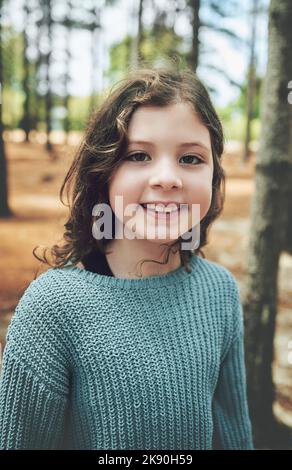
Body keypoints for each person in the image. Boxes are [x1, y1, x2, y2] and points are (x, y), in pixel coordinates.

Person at [0, 66, 254, 450]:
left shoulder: (219, 292)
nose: (167, 177)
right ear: (103, 174)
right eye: (138, 155)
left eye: (191, 158)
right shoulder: (53, 308)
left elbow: (234, 434)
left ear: (214, 174)